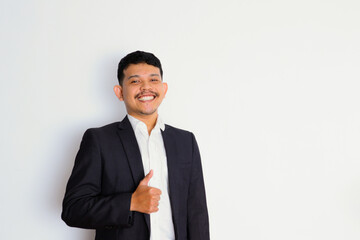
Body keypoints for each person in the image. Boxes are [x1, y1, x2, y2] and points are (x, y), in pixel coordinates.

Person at [61, 50, 209, 240]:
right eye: (135, 81)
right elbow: (73, 209)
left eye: (153, 80)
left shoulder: (185, 141)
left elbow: (197, 214)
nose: (146, 87)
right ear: (120, 92)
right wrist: (130, 203)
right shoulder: (99, 140)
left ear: (164, 89)